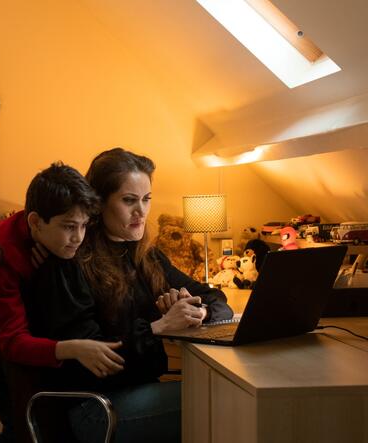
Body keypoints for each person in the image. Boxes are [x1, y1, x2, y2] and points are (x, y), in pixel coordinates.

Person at [27, 147, 233, 443]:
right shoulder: (70, 260)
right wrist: (160, 327)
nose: (141, 211)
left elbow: (216, 300)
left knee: (227, 391)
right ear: (98, 203)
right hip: (94, 406)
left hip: (137, 392)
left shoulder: (146, 255)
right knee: (224, 397)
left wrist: (196, 312)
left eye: (146, 199)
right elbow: (97, 360)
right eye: (128, 201)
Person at [0, 162, 126, 442]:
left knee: (26, 419)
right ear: (36, 222)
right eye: (69, 227)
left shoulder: (49, 239)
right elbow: (11, 341)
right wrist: (73, 348)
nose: (78, 237)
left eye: (84, 226)